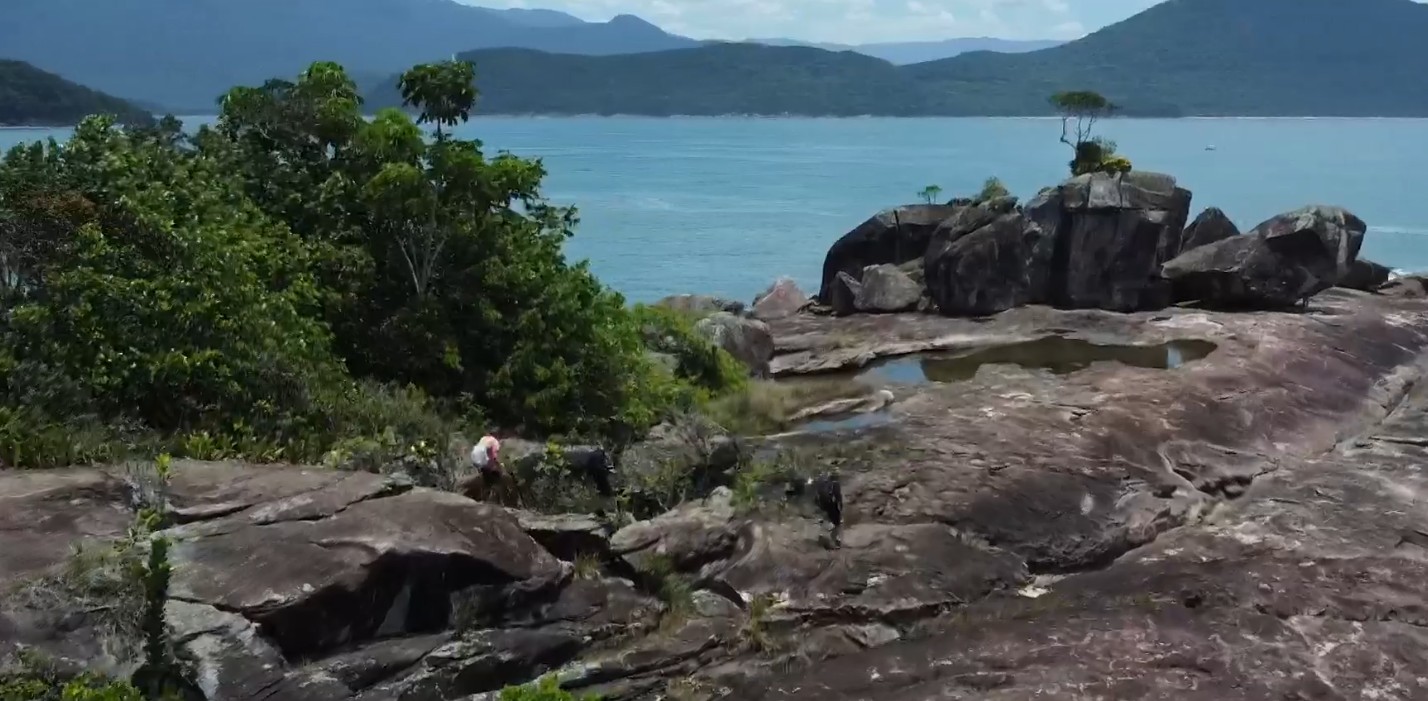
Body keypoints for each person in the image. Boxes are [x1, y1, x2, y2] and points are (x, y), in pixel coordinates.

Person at [785, 471, 844, 549]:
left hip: (822, 504)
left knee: (825, 519)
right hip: (832, 504)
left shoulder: (820, 481)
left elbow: (810, 487)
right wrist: (840, 505)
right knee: (836, 522)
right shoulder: (835, 484)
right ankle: (833, 540)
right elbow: (838, 496)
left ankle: (824, 537)